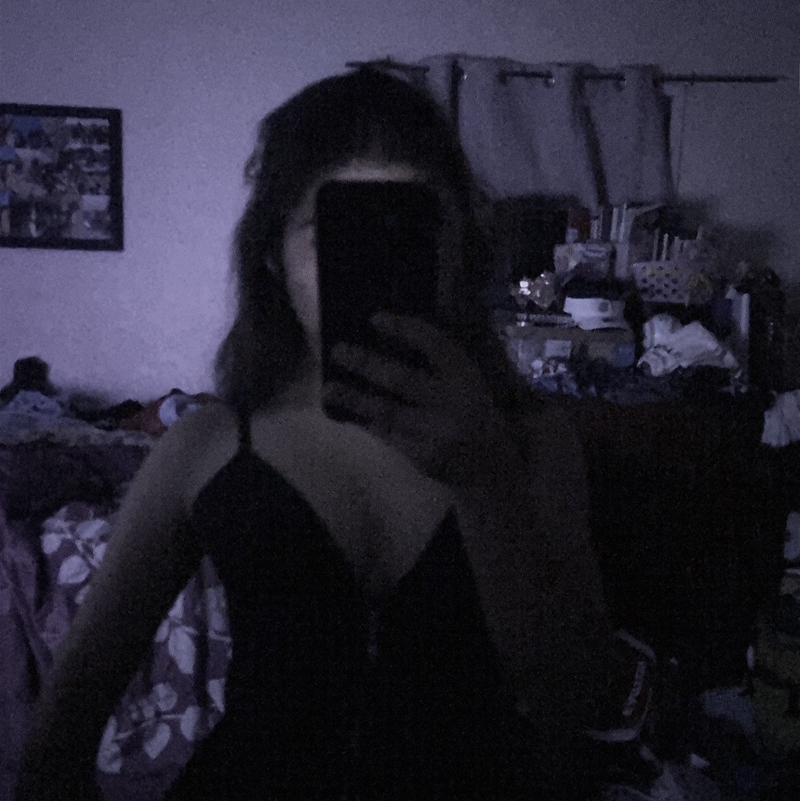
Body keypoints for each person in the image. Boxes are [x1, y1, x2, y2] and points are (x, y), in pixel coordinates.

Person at [16, 68, 613, 800]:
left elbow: (574, 702)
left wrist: (484, 474)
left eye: (410, 230)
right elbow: (64, 722)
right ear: (274, 258)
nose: (374, 263)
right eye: (336, 233)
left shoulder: (531, 440)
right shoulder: (206, 445)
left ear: (459, 249)